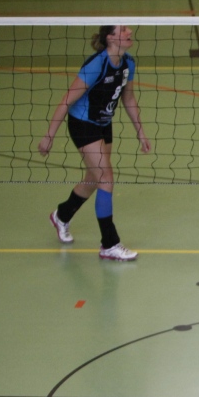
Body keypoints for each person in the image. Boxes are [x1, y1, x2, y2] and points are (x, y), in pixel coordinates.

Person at [38, 26, 149, 261]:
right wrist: (49, 135)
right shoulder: (97, 64)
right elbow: (66, 100)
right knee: (106, 177)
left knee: (94, 177)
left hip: (103, 123)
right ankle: (109, 244)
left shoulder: (128, 63)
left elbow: (128, 98)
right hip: (83, 123)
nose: (129, 31)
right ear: (110, 38)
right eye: (123, 29)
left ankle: (62, 215)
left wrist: (140, 131)